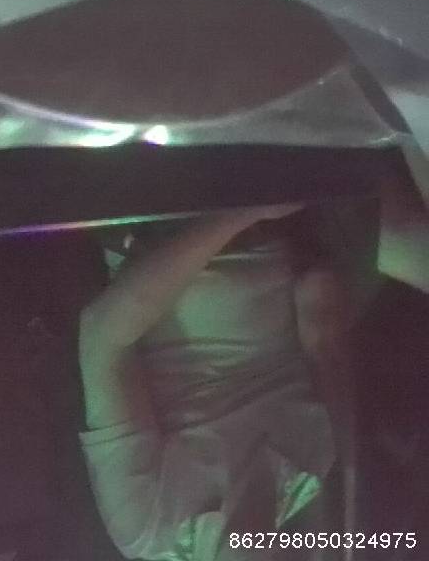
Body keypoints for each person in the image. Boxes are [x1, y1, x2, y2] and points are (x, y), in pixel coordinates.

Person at [78, 202, 371, 561]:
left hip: (160, 228)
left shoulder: (149, 529)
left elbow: (101, 334)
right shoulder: (317, 472)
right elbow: (322, 332)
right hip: (288, 232)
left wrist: (239, 216)